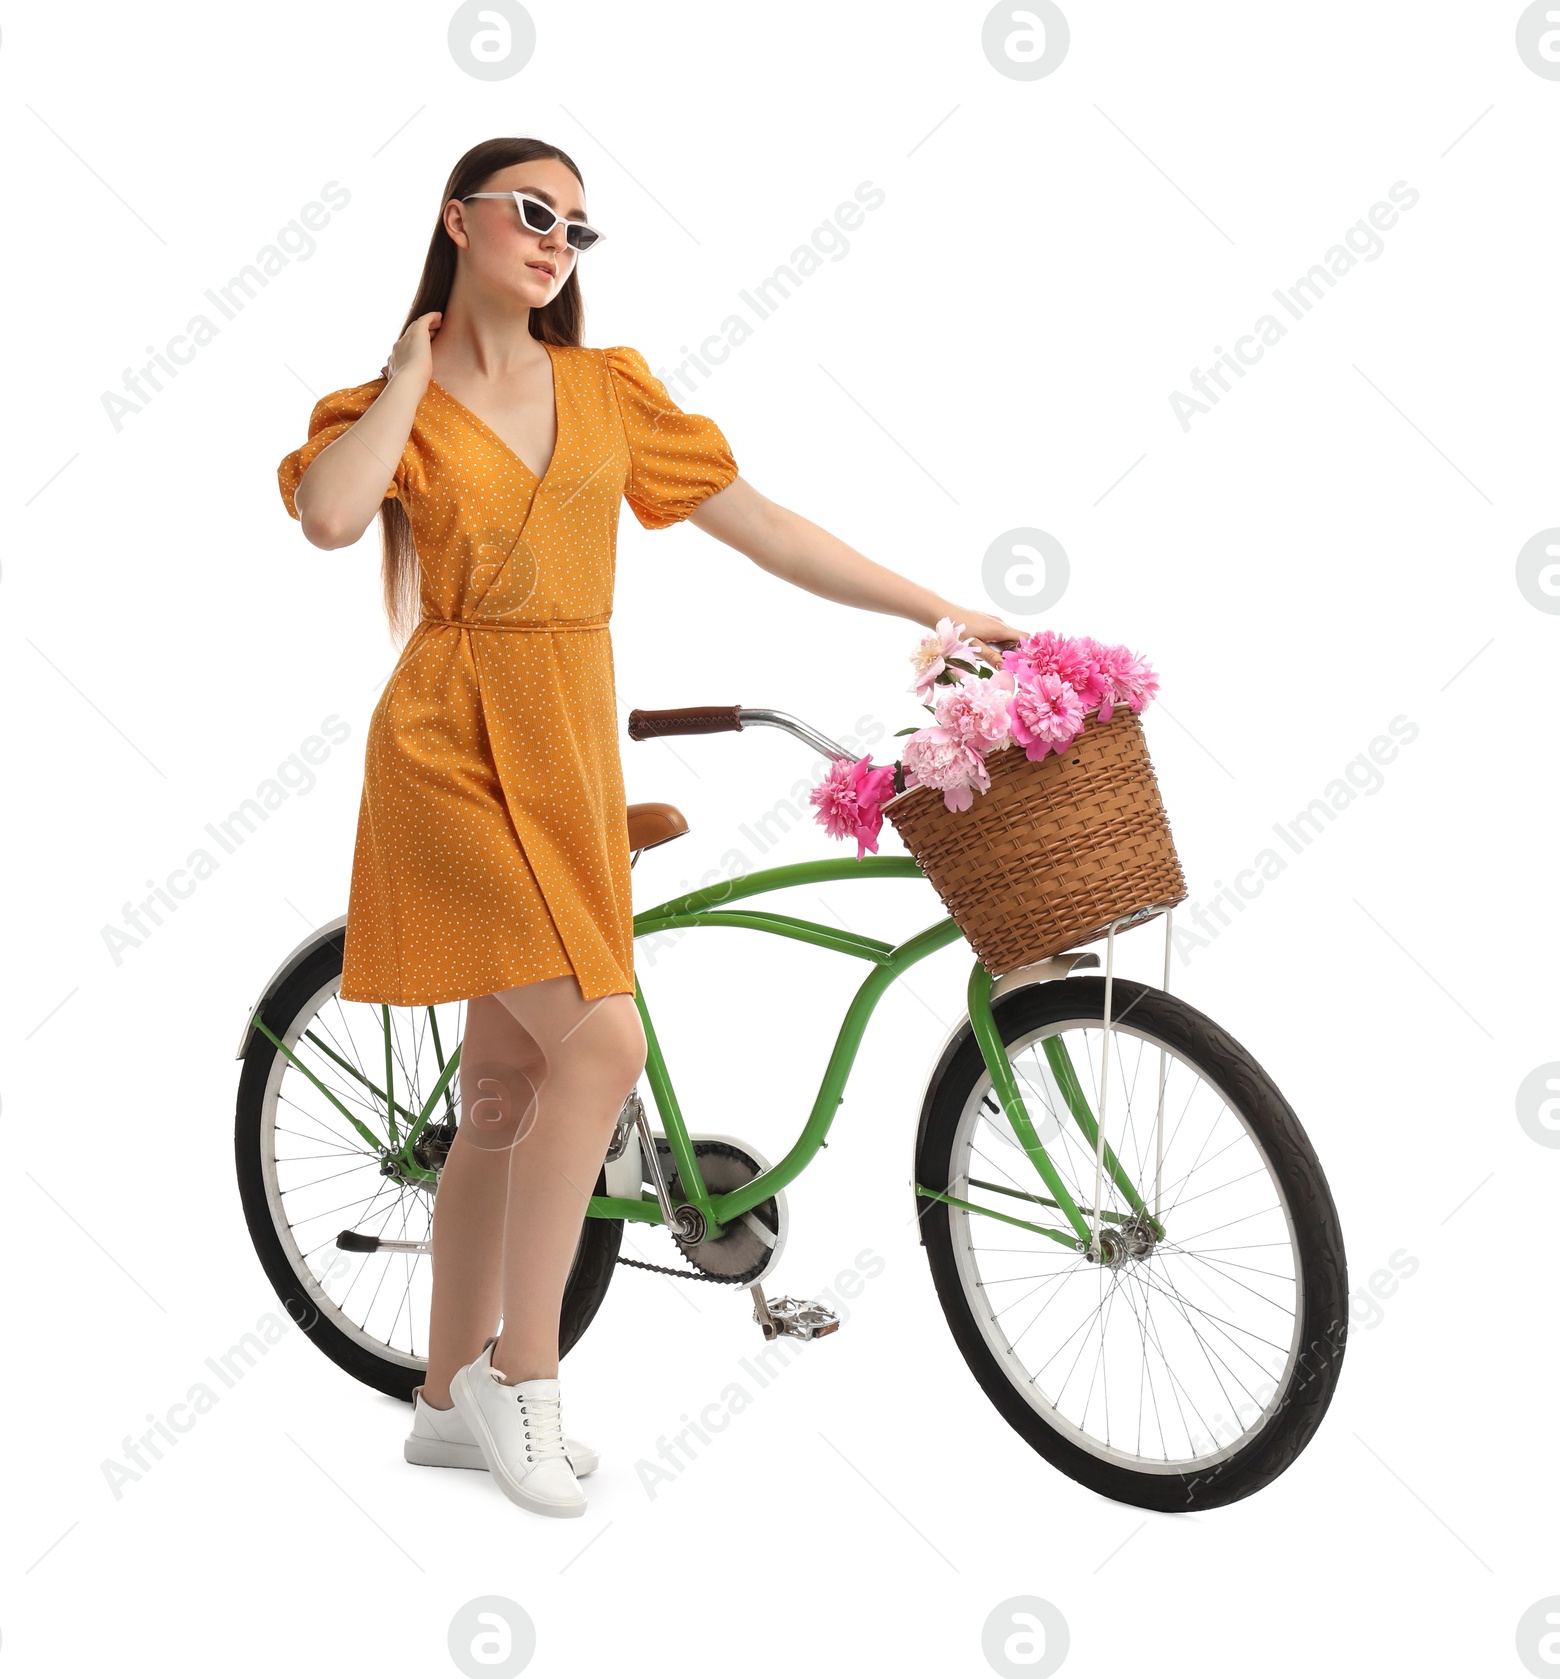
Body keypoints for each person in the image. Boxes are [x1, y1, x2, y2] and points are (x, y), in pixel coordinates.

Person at [277, 135, 1023, 1519]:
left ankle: (444, 1406)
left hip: (562, 744)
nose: (558, 238)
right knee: (605, 1044)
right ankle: (527, 1379)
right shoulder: (394, 404)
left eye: (578, 224)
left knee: (500, 1094)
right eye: (531, 211)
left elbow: (765, 527)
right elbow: (329, 516)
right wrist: (403, 370)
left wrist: (934, 606)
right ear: (459, 221)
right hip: (444, 747)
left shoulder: (605, 391)